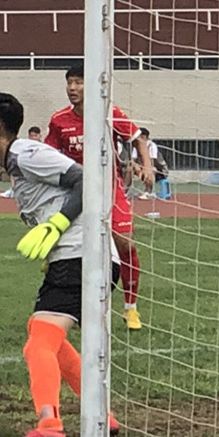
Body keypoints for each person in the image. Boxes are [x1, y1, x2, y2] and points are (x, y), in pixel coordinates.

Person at [0, 90, 120, 437]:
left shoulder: (26, 153)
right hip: (78, 257)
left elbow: (87, 180)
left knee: (39, 341)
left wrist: (56, 226)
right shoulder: (16, 163)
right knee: (43, 336)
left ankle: (50, 423)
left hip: (81, 255)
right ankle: (102, 414)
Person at [44, 65, 155, 331]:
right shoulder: (59, 119)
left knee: (125, 244)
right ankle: (66, 304)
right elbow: (47, 153)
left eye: (78, 82)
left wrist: (147, 165)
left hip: (109, 188)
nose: (72, 88)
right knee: (66, 247)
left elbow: (138, 139)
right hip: (74, 191)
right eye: (69, 82)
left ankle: (131, 309)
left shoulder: (109, 113)